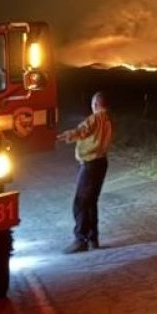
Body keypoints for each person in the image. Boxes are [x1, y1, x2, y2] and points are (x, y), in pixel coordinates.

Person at [57, 91, 114, 253]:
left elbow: (82, 130)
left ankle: (80, 239)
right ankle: (93, 238)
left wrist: (65, 136)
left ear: (95, 105)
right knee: (91, 202)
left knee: (80, 202)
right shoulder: (109, 119)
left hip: (90, 164)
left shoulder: (95, 119)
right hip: (102, 162)